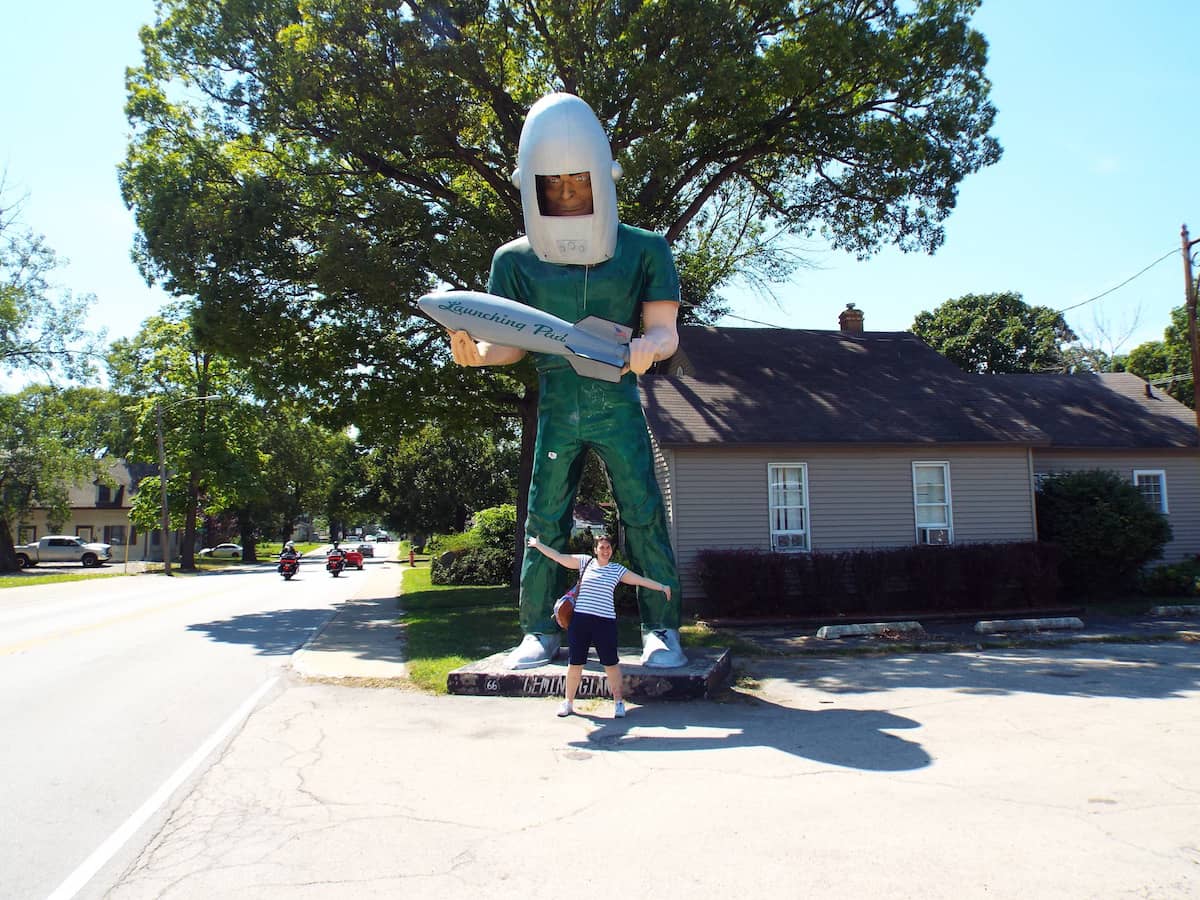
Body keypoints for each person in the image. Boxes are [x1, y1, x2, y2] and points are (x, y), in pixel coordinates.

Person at [449, 92, 686, 670]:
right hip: (557, 400)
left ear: (603, 178)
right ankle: (538, 630)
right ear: (530, 185)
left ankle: (661, 630)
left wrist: (644, 349)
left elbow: (665, 331)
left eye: (577, 181)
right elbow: (510, 341)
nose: (566, 193)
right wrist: (476, 354)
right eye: (552, 185)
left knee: (643, 509)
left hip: (618, 399)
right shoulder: (514, 261)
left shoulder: (645, 249)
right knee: (543, 516)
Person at [526, 534, 670, 717]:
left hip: (605, 622)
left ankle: (618, 702)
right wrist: (538, 545)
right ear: (595, 550)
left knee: (611, 663)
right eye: (601, 547)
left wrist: (662, 587)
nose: (605, 550)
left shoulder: (617, 570)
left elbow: (640, 580)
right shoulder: (585, 563)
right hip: (581, 621)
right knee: (575, 663)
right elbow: (558, 557)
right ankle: (568, 702)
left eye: (608, 547)